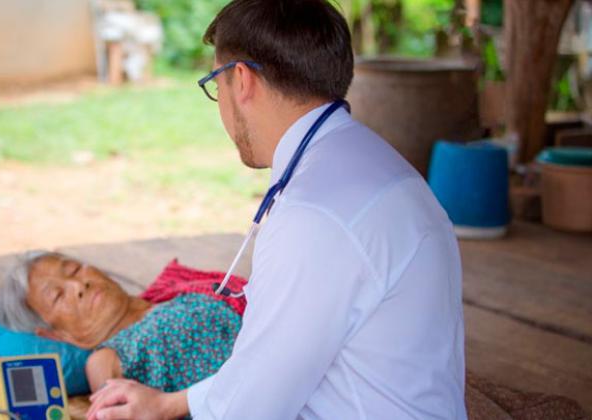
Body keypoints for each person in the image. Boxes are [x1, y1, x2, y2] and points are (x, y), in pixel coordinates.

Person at [86, 0, 467, 419]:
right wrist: (168, 404)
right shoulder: (381, 165)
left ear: (242, 79)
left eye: (217, 84)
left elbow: (252, 409)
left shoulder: (311, 215)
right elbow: (276, 363)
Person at [0, 251, 243, 393]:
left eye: (73, 270)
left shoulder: (178, 291)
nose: (79, 285)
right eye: (58, 295)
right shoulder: (105, 360)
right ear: (55, 335)